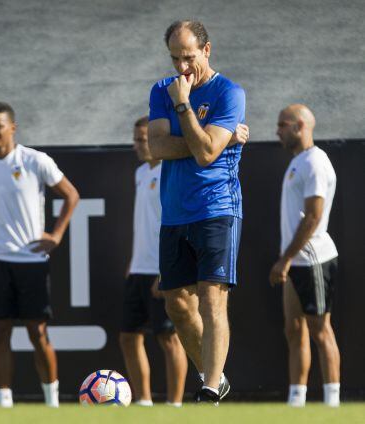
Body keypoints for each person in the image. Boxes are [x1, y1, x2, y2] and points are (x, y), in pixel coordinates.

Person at [146, 20, 250, 404]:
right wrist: (207, 137)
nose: (182, 67)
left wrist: (184, 106)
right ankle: (214, 376)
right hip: (174, 212)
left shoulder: (228, 92)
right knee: (177, 304)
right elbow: (156, 147)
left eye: (188, 57)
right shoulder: (161, 89)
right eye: (175, 58)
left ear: (206, 50)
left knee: (211, 298)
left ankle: (208, 390)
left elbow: (207, 156)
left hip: (217, 208)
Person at [0, 102, 80, 408]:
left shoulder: (35, 160)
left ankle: (52, 402)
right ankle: (5, 404)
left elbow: (71, 195)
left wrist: (56, 236)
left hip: (31, 261)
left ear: (12, 128)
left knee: (37, 333)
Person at [270, 104, 340, 407]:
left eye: (283, 124)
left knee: (320, 331)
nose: (278, 130)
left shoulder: (315, 162)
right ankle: (296, 401)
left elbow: (313, 217)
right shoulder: (298, 162)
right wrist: (287, 260)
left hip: (313, 259)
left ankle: (332, 403)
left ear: (300, 125)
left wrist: (284, 259)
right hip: (295, 261)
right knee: (293, 329)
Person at [119, 116, 187, 407]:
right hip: (139, 269)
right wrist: (134, 262)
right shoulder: (140, 173)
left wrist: (167, 271)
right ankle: (144, 402)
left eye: (142, 139)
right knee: (128, 337)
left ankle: (175, 405)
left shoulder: (171, 173)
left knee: (169, 338)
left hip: (164, 271)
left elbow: (179, 226)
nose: (137, 145)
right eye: (135, 139)